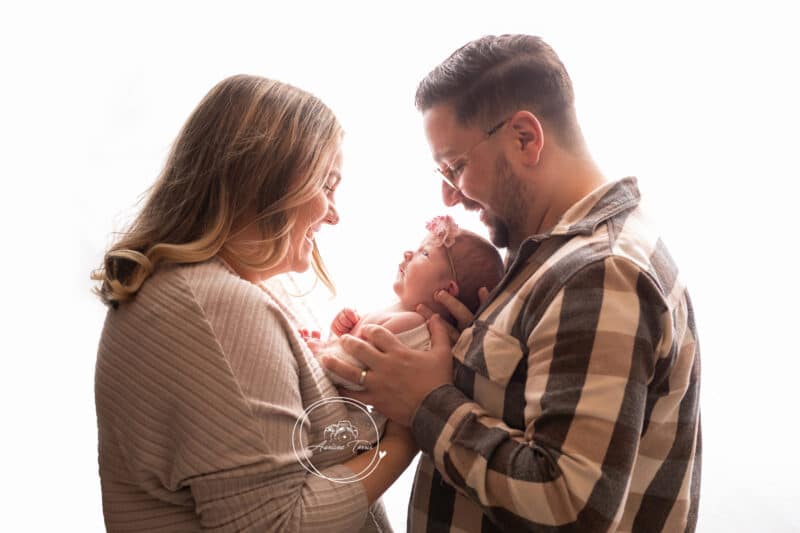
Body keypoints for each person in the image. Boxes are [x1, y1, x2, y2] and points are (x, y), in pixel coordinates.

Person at [321, 34, 702, 532]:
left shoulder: (601, 274)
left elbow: (569, 507)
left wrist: (424, 404)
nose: (448, 196)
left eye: (455, 167)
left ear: (525, 137)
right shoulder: (545, 260)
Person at [91, 74, 418, 532]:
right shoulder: (213, 307)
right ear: (266, 181)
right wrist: (408, 429)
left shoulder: (215, 291)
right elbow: (281, 525)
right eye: (327, 184)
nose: (334, 213)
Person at [316, 215, 504, 391]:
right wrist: (344, 329)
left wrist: (318, 353)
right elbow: (353, 350)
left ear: (447, 291)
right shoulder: (398, 311)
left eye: (424, 253)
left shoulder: (412, 323)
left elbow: (349, 371)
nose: (408, 253)